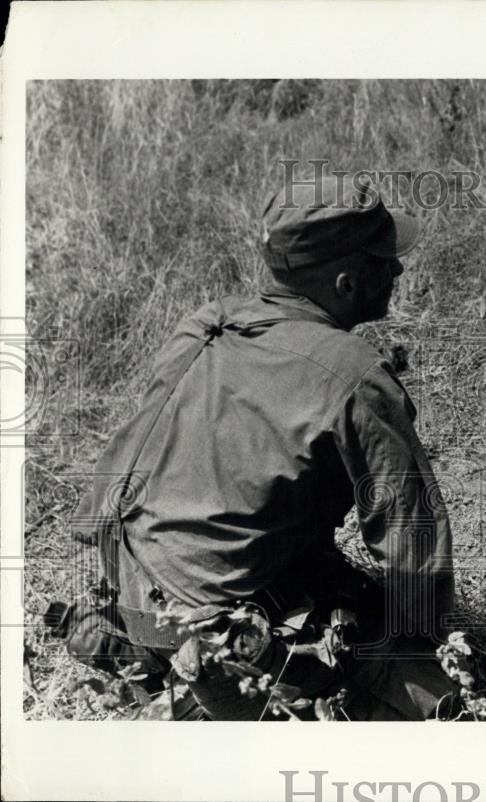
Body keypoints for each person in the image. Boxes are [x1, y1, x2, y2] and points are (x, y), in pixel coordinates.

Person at [65, 174, 459, 720]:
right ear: (346, 283)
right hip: (219, 625)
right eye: (382, 258)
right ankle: (229, 697)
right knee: (431, 700)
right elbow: (413, 542)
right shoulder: (353, 374)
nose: (396, 269)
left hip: (130, 581)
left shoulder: (208, 324)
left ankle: (150, 659)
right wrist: (427, 649)